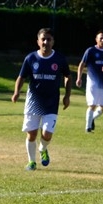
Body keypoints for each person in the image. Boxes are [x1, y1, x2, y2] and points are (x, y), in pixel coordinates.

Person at [12, 27, 72, 171]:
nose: (46, 42)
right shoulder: (31, 58)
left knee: (47, 133)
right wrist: (16, 92)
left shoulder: (60, 59)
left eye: (49, 39)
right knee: (31, 133)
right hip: (33, 101)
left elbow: (68, 77)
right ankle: (31, 162)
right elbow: (21, 77)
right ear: (38, 41)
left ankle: (43, 149)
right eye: (43, 39)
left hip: (51, 102)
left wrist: (67, 96)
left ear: (53, 41)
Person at [76, 31, 103, 132]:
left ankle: (92, 118)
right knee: (92, 104)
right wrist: (79, 78)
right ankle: (88, 128)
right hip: (92, 81)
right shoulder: (91, 51)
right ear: (96, 39)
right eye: (101, 38)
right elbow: (82, 64)